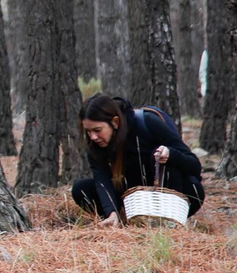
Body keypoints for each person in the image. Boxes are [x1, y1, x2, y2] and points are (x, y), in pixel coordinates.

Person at [71, 93, 204, 226]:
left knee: (163, 159)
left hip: (166, 193)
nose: (93, 137)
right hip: (131, 198)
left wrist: (171, 154)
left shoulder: (148, 122)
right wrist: (111, 211)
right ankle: (119, 220)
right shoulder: (95, 143)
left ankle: (169, 221)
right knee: (81, 189)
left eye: (97, 130)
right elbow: (102, 179)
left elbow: (194, 165)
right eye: (88, 131)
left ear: (115, 122)